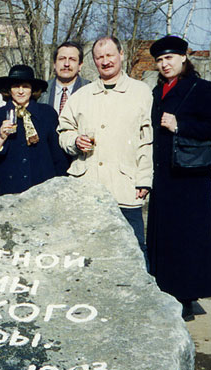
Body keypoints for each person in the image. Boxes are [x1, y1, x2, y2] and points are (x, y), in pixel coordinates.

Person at [146, 35, 211, 321]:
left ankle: (186, 297)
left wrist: (180, 125)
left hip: (191, 177)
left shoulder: (200, 88)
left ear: (184, 57)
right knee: (164, 235)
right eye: (159, 60)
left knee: (188, 237)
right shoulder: (158, 92)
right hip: (165, 175)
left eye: (169, 58)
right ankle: (166, 290)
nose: (164, 64)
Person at [57, 36, 153, 257]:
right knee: (86, 252)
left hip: (124, 188)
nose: (106, 61)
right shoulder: (82, 96)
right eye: (99, 57)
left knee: (132, 252)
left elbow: (146, 141)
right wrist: (74, 141)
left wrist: (144, 179)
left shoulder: (141, 92)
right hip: (87, 188)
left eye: (110, 55)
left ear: (121, 55)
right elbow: (63, 131)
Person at [0, 64, 68, 194]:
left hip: (42, 187)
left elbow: (57, 154)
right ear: (9, 90)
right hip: (8, 187)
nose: (21, 91)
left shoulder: (47, 113)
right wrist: (1, 138)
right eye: (16, 86)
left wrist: (62, 183)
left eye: (25, 86)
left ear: (32, 89)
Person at [41, 41, 90, 115]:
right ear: (54, 64)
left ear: (80, 65)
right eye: (62, 59)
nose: (66, 64)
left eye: (72, 59)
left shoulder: (90, 91)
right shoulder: (41, 91)